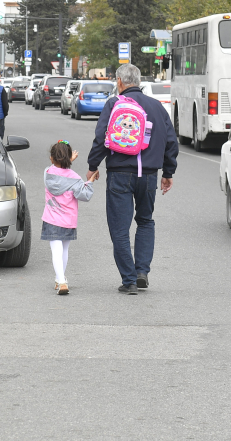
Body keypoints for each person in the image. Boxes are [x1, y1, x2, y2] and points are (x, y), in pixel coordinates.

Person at [86, 63, 178, 295]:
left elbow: (101, 138)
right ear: (138, 81)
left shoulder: (114, 104)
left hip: (119, 174)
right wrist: (168, 172)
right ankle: (141, 272)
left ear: (119, 81)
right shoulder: (157, 107)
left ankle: (129, 280)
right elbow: (171, 142)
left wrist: (92, 165)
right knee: (145, 221)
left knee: (120, 228)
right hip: (148, 176)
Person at [42, 141, 94, 295]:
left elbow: (58, 171)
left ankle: (61, 280)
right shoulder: (75, 178)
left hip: (51, 218)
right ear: (68, 157)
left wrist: (66, 160)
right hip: (68, 220)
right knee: (64, 249)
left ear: (51, 158)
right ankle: (61, 279)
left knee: (55, 250)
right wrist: (90, 182)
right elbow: (84, 195)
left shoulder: (47, 173)